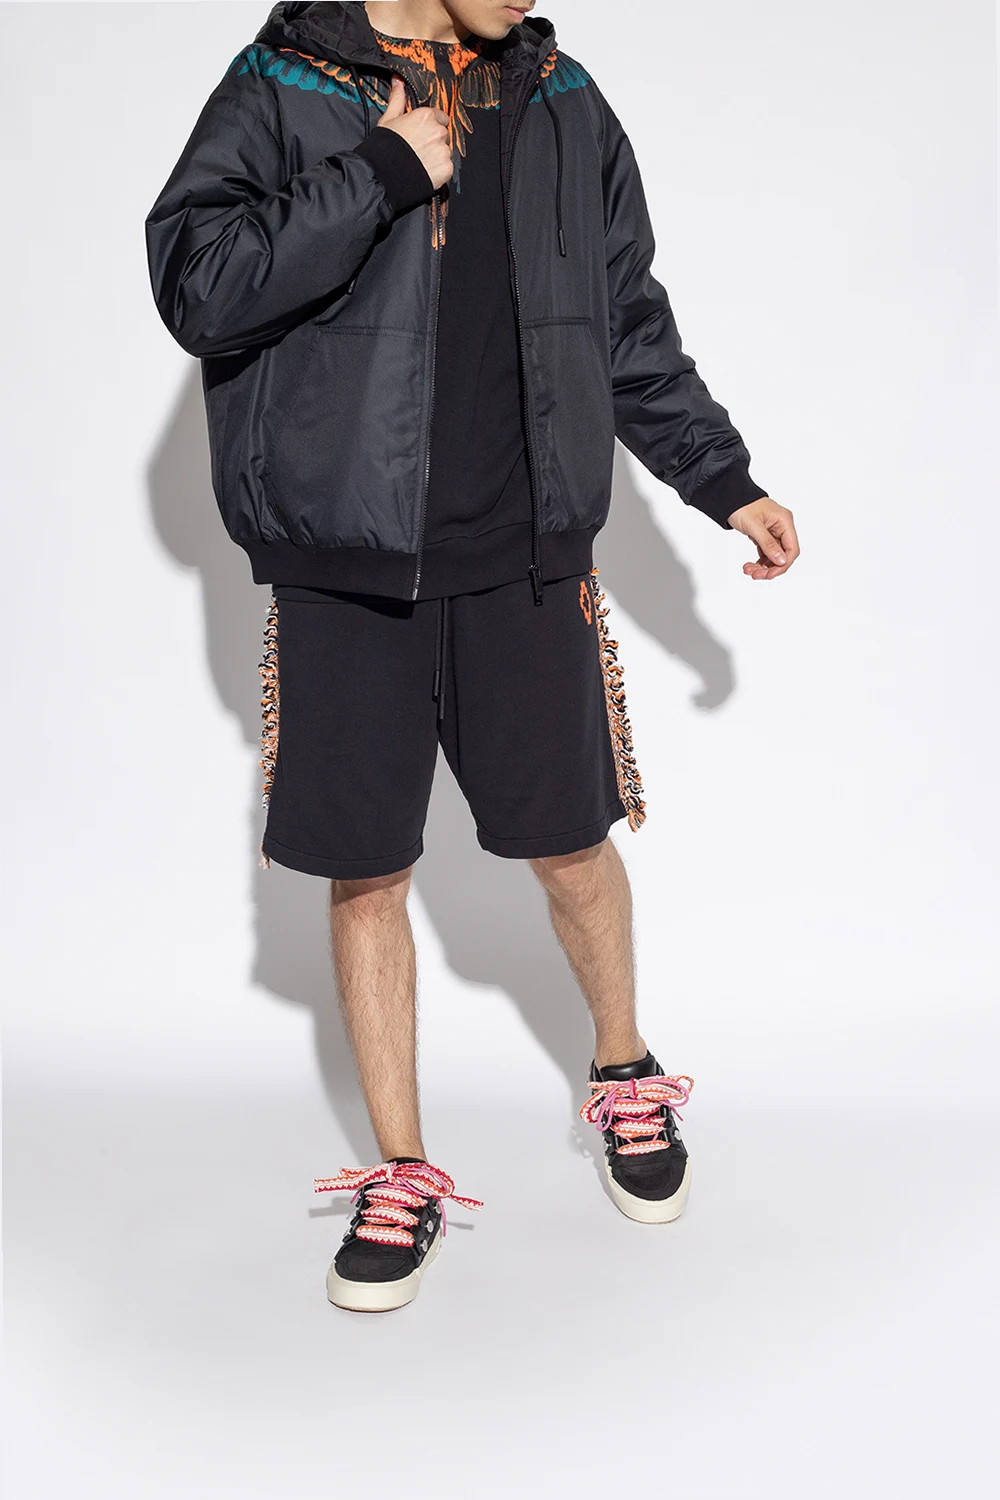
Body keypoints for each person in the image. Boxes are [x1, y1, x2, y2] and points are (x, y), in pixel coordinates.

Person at [145, 0, 799, 1314]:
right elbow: (200, 286)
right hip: (346, 560)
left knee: (572, 843)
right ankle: (402, 1171)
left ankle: (624, 1068)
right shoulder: (283, 82)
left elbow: (625, 317)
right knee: (368, 871)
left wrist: (723, 479)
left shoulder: (563, 101)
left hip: (525, 552)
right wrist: (382, 170)